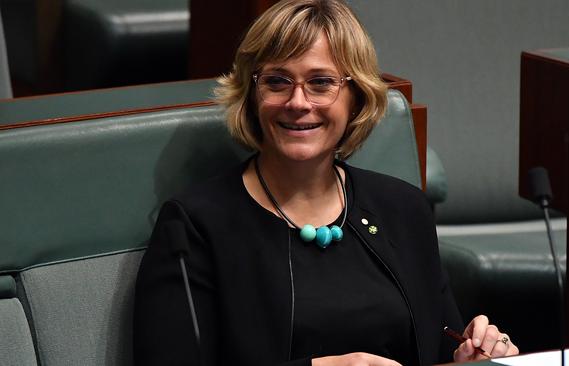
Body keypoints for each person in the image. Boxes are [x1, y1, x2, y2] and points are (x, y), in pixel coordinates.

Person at [133, 0, 519, 365]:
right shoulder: (195, 226)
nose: (298, 102)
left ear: (356, 97)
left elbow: (437, 343)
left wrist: (470, 356)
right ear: (252, 95)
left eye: (321, 83)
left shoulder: (403, 208)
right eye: (277, 81)